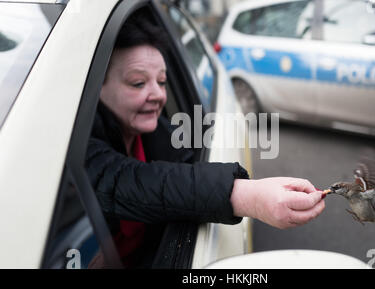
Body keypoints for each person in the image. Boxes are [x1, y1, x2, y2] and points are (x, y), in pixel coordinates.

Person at [85, 10, 325, 268]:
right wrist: (248, 197)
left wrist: (254, 194)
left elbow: (184, 178)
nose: (158, 95)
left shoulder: (166, 135)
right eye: (137, 83)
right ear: (97, 86)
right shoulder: (78, 151)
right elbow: (127, 181)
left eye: (163, 81)